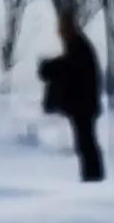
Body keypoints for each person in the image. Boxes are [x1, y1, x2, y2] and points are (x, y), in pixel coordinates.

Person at [39, 13, 104, 182]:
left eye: (61, 29)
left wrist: (51, 67)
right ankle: (91, 175)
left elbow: (71, 69)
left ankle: (93, 177)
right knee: (84, 143)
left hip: (84, 106)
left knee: (86, 143)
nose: (59, 33)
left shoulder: (79, 46)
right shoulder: (77, 45)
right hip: (82, 106)